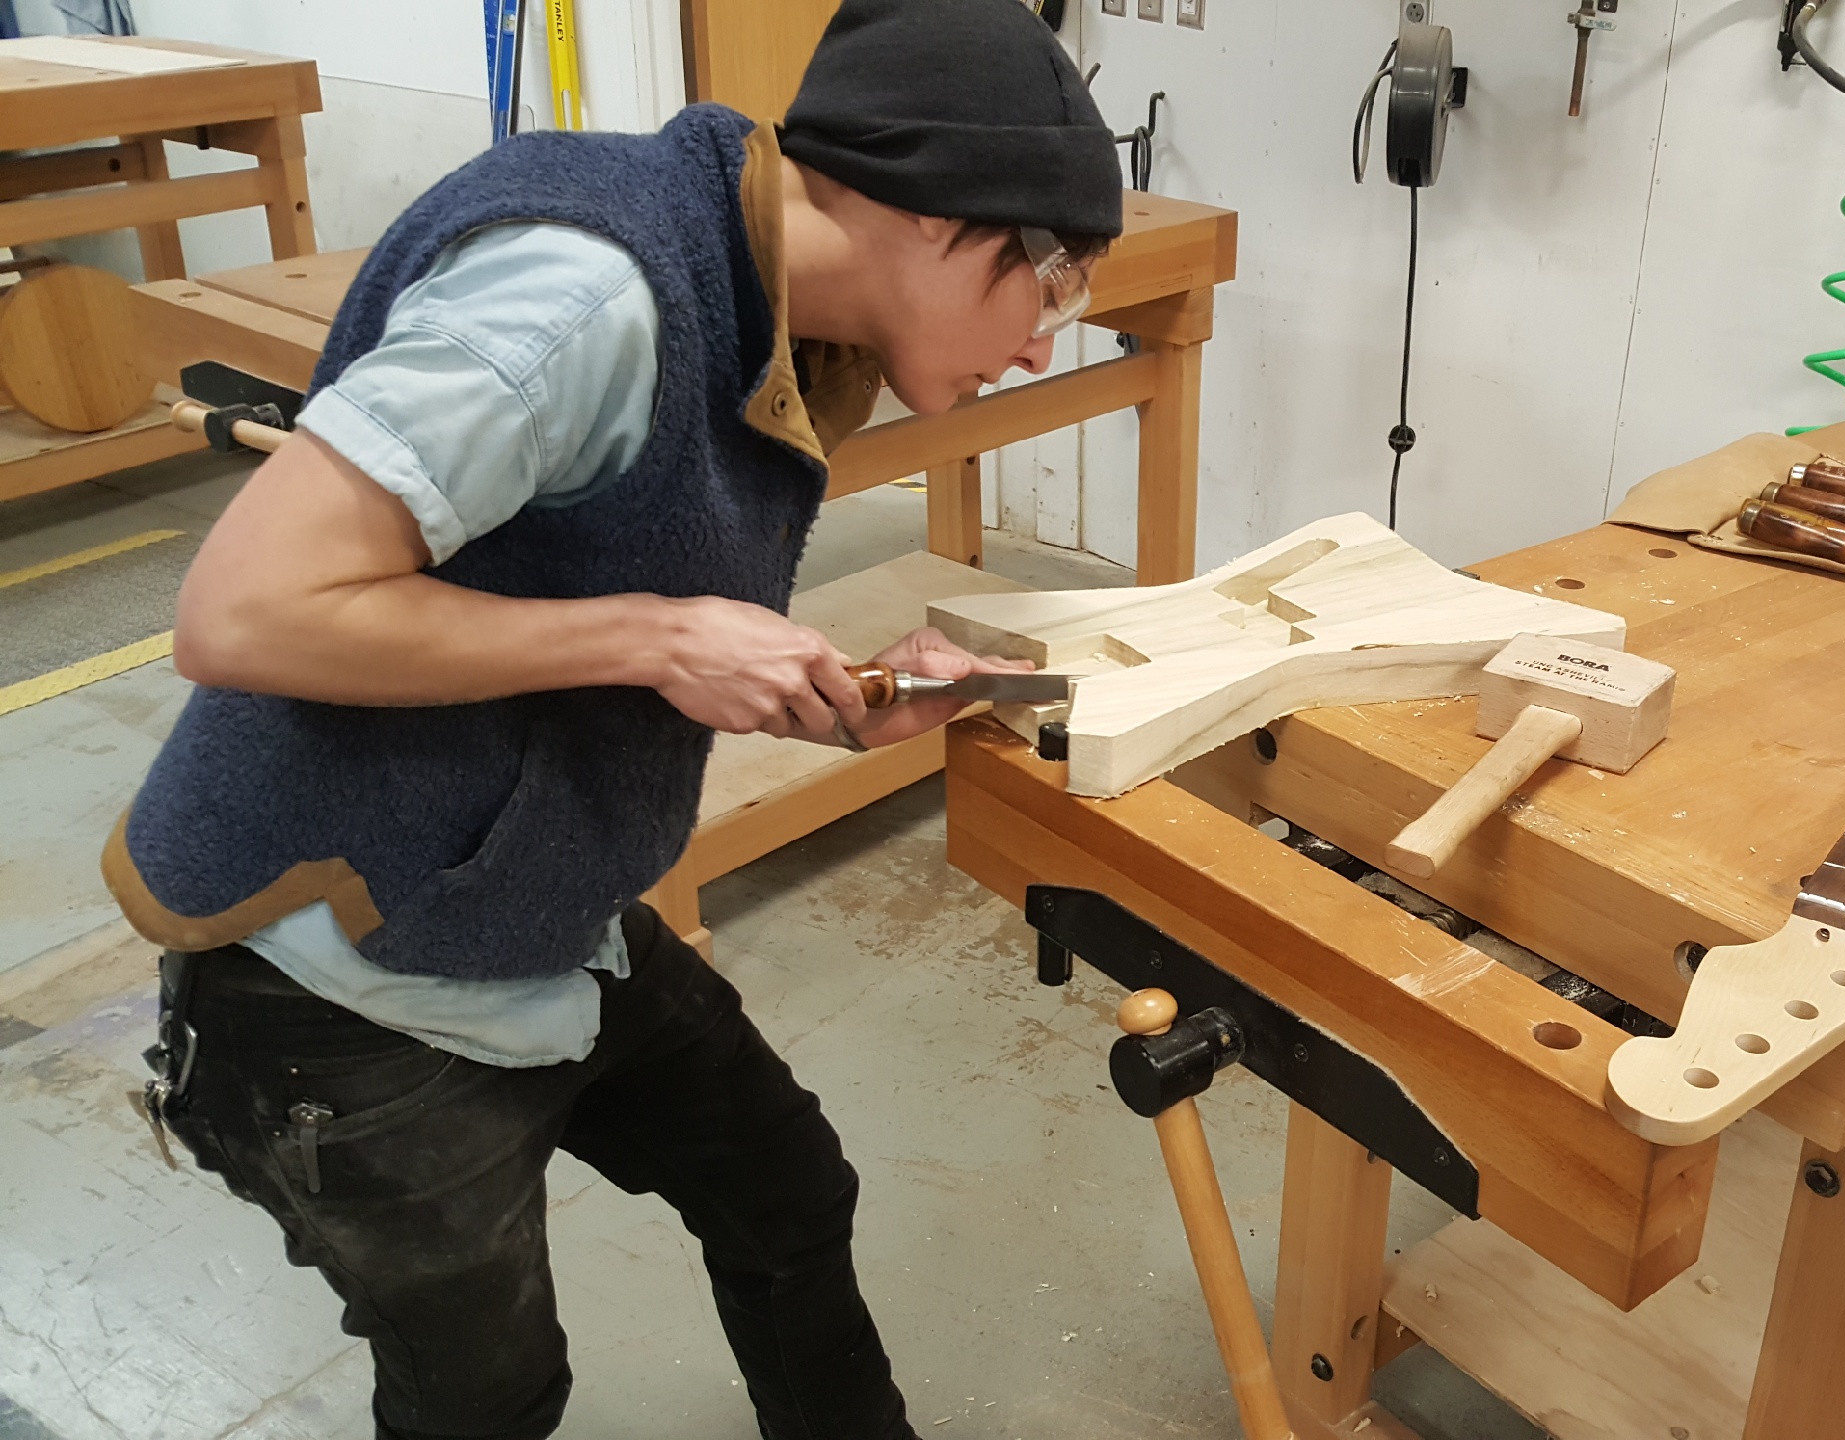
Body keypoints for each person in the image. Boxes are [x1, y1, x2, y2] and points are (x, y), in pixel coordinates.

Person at [98, 2, 1124, 1435]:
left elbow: (596, 583)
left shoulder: (772, 315)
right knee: (486, 1396)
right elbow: (243, 614)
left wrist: (828, 696)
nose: (1038, 351)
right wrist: (657, 636)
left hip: (531, 898)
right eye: (1056, 283)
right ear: (943, 216)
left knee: (784, 1189)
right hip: (337, 978)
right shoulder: (587, 295)